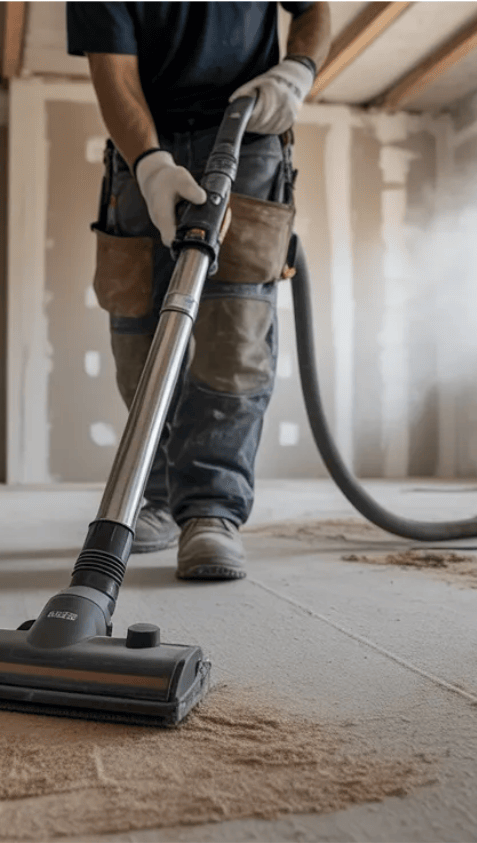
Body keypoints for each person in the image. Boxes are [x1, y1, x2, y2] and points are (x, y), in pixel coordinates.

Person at [68, 2, 331, 581]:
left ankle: (211, 511)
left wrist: (299, 69)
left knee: (233, 335)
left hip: (249, 138)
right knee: (140, 332)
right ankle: (156, 497)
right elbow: (113, 74)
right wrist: (151, 165)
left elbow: (313, 8)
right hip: (142, 144)